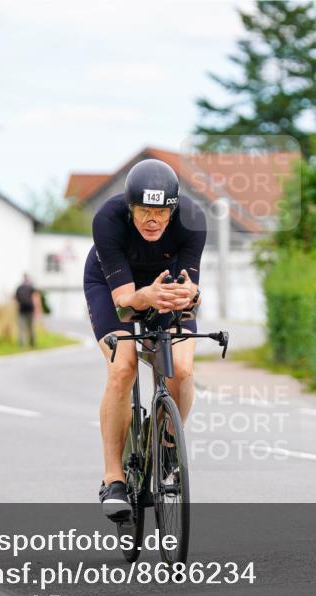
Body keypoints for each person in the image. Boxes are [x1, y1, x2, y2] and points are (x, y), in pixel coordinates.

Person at [83, 159, 206, 521]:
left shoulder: (192, 219)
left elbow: (191, 289)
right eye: (144, 211)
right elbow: (124, 302)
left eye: (161, 212)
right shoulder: (107, 219)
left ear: (173, 209)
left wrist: (189, 295)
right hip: (112, 287)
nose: (152, 220)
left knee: (181, 368)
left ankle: (167, 443)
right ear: (130, 207)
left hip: (164, 287)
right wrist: (145, 297)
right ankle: (113, 479)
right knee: (123, 367)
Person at [14, 274, 40, 347]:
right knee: (31, 327)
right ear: (28, 279)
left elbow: (15, 298)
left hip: (21, 310)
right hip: (30, 310)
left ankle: (22, 344)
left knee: (21, 328)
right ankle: (32, 343)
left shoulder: (19, 288)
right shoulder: (31, 287)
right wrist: (37, 309)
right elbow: (35, 298)